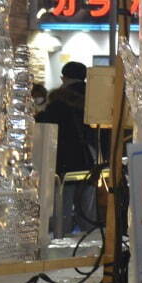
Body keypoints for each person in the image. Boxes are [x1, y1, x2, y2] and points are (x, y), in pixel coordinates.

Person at [39, 62, 95, 233]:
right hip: (89, 160)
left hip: (63, 162)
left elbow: (45, 127)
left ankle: (61, 243)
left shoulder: (57, 102)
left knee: (61, 210)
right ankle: (91, 245)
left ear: (64, 77)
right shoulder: (94, 98)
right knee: (88, 212)